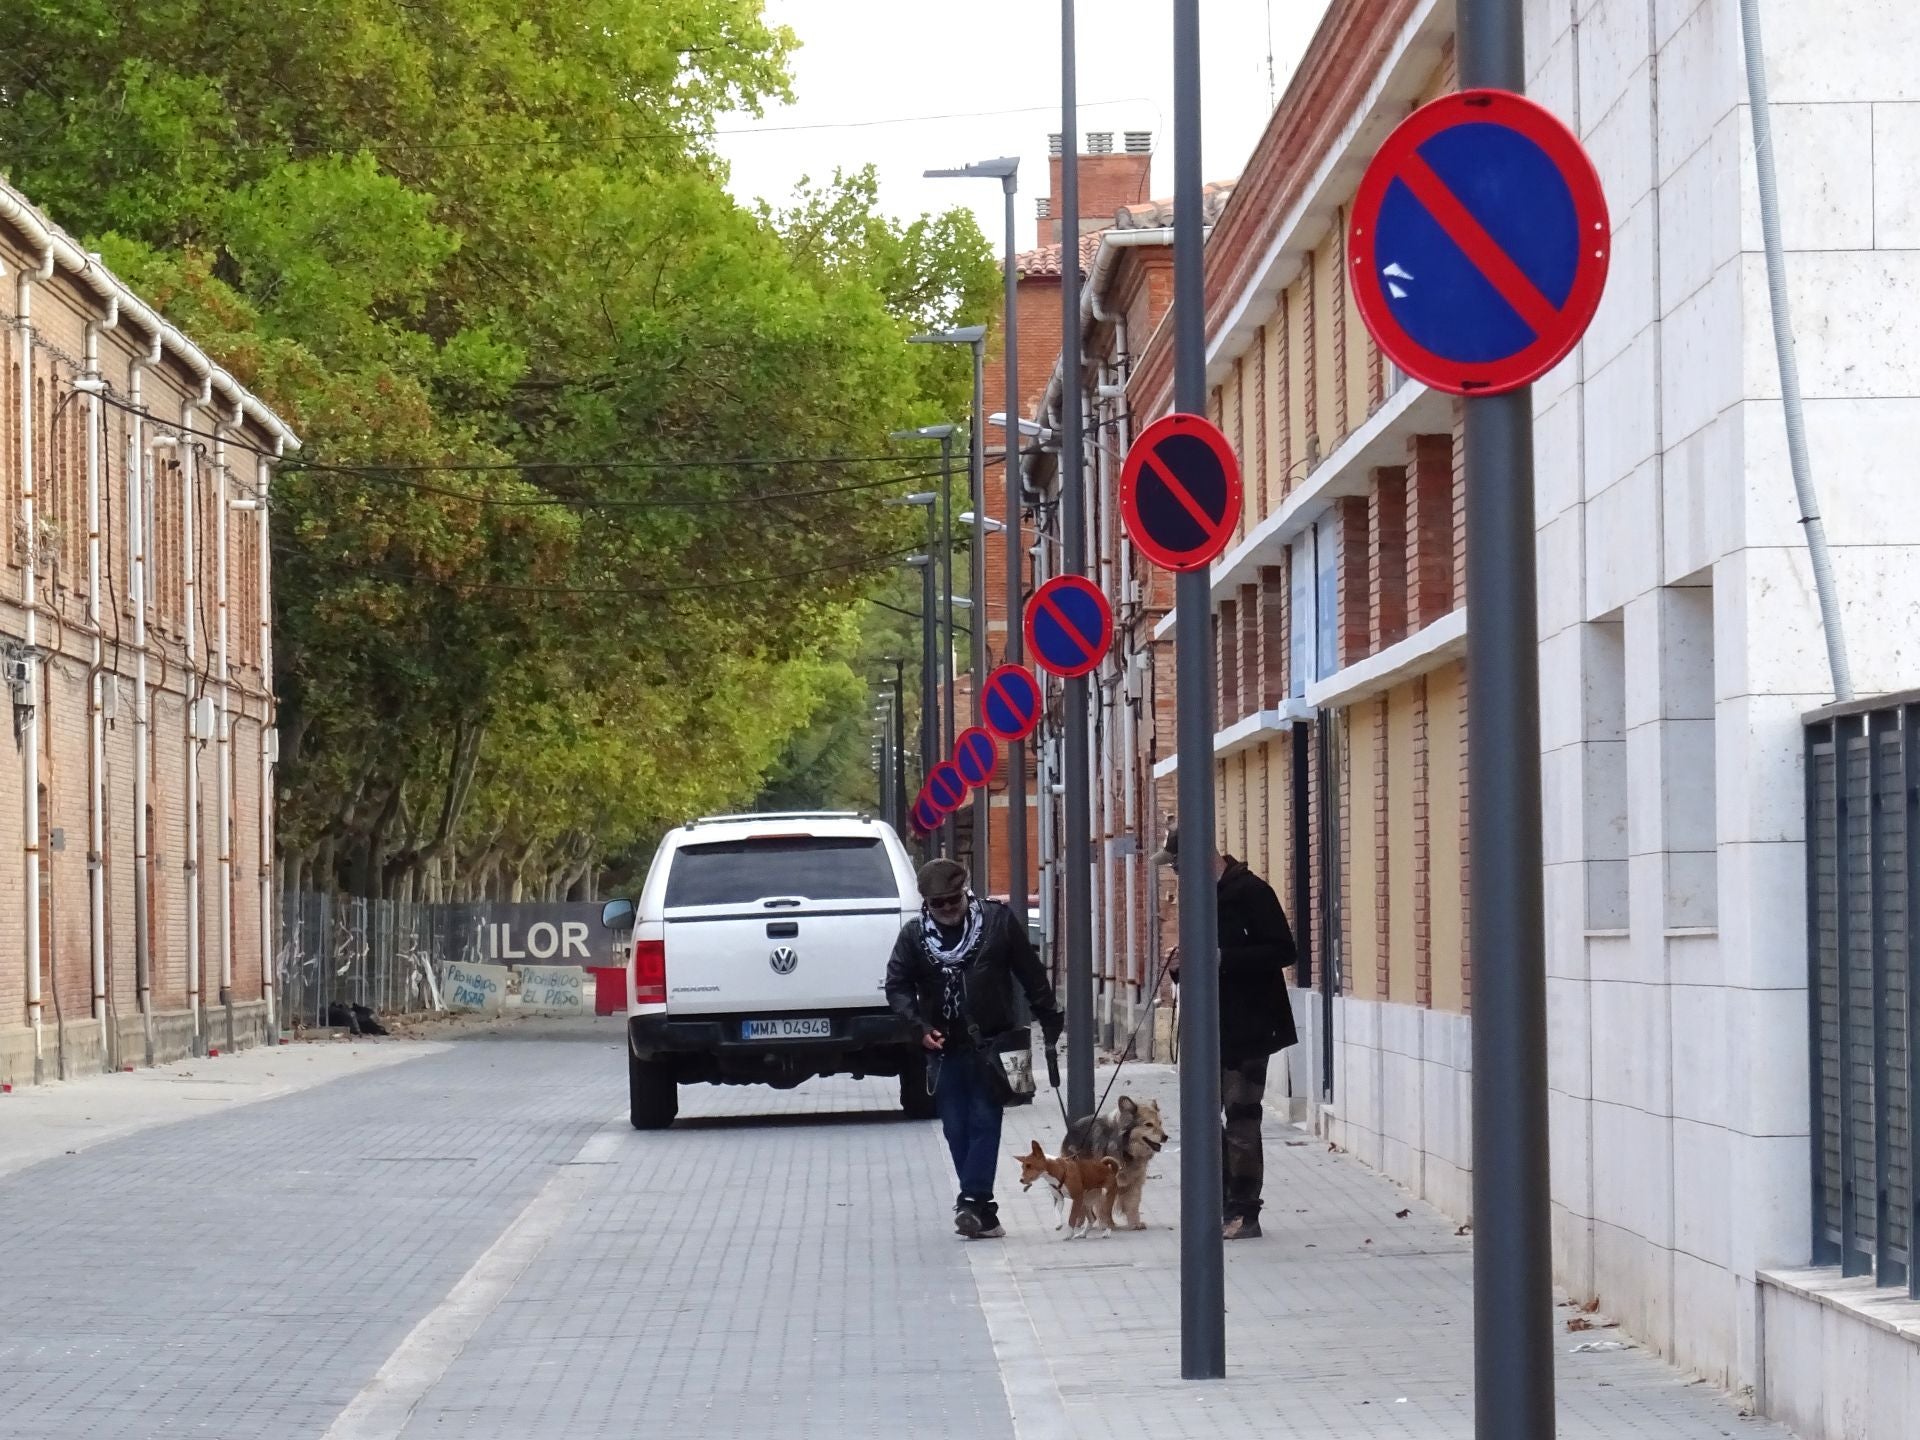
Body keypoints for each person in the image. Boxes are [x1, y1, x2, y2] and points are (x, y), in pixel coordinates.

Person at [885, 858, 1065, 1239]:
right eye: (939, 904)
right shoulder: (914, 936)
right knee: (954, 1128)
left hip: (994, 1043)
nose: (949, 909)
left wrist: (1049, 1017)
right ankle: (982, 1212)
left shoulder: (997, 922)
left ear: (966, 892)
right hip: (944, 1045)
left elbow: (1029, 972)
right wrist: (919, 1028)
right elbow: (897, 986)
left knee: (985, 1118)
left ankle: (970, 1198)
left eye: (954, 900)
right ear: (927, 904)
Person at [1153, 826, 1298, 1239]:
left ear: (1202, 860)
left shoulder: (1251, 892)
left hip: (1251, 1027)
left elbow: (1283, 950)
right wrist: (1184, 965)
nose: (1176, 874)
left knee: (1242, 1120)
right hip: (1209, 1027)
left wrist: (1221, 958)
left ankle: (1244, 1210)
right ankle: (1218, 1202)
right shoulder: (1201, 898)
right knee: (1203, 1117)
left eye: (1179, 865)